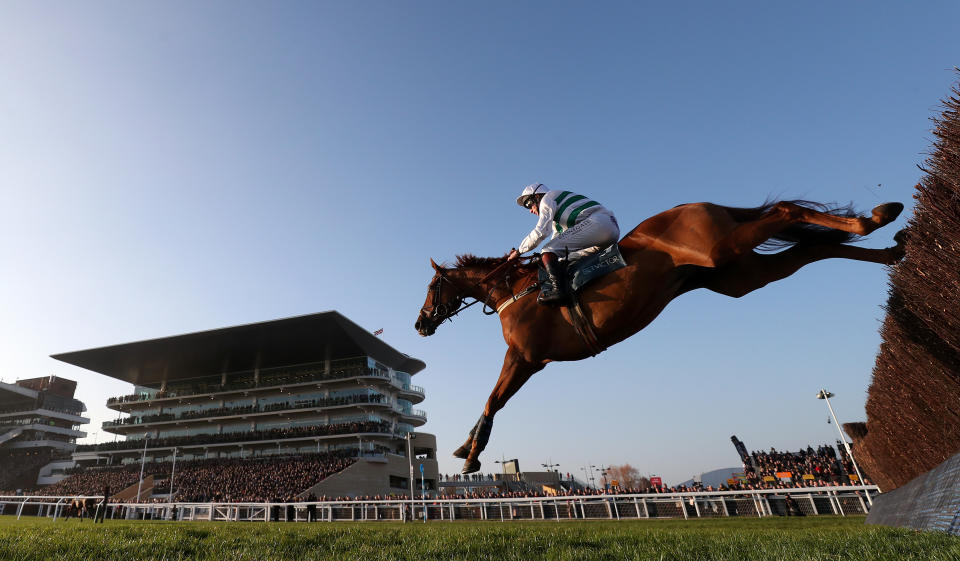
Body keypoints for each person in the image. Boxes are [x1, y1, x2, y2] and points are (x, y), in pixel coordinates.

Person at [507, 183, 620, 304]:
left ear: (538, 197)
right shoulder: (557, 220)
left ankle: (559, 291)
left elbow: (541, 232)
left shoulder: (547, 198)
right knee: (560, 260)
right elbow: (557, 241)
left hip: (599, 223)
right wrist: (542, 259)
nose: (530, 210)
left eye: (529, 203)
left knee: (547, 250)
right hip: (608, 229)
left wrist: (519, 252)